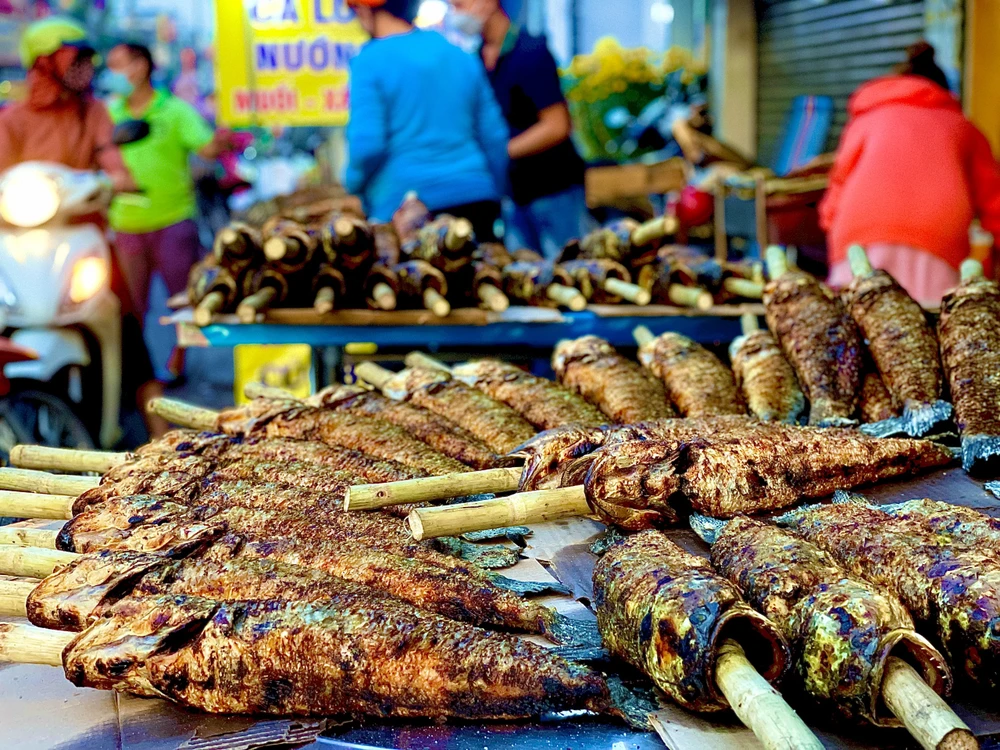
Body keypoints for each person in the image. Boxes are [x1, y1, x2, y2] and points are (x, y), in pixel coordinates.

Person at [0, 18, 169, 439]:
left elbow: (110, 157)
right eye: (75, 58)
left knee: (125, 322)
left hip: (82, 237)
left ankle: (162, 434)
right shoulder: (12, 120)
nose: (85, 67)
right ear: (44, 63)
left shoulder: (93, 111)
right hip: (23, 241)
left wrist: (117, 177)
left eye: (87, 60)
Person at [821, 41, 1000, 302]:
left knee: (851, 324)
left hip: (857, 232)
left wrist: (832, 226)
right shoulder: (962, 126)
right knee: (926, 328)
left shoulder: (867, 119)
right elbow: (994, 200)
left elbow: (838, 182)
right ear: (945, 92)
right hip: (935, 239)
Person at [104, 42, 229, 380]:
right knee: (131, 307)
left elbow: (206, 146)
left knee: (183, 300)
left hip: (174, 221)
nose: (112, 73)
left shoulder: (174, 110)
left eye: (118, 64)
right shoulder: (107, 113)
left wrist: (222, 138)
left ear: (141, 66)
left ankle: (178, 362)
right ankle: (136, 373)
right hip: (126, 223)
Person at [345, 0, 509, 240]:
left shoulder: (368, 62)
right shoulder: (459, 54)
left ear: (363, 10)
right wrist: (490, 188)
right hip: (476, 199)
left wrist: (354, 186)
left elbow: (367, 146)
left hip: (406, 210)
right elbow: (494, 137)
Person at [451, 0, 591, 259]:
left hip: (553, 189)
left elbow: (557, 125)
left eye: (461, 3)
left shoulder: (530, 51)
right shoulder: (477, 61)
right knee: (527, 278)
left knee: (572, 268)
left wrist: (501, 151)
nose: (456, 11)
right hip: (514, 195)